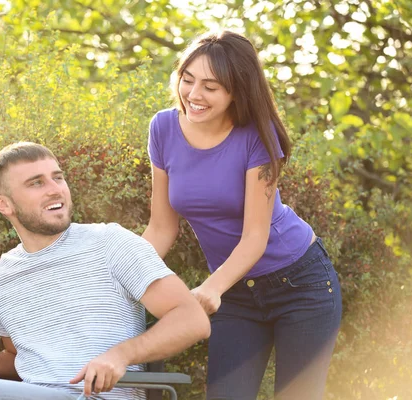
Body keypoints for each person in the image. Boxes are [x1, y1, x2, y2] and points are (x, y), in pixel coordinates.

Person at [0, 142, 210, 400]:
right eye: (36, 183)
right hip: (30, 393)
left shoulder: (110, 243)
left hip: (94, 396)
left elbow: (192, 319)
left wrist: (121, 355)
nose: (55, 189)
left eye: (57, 177)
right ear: (4, 204)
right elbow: (21, 359)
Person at [142, 30, 342, 400]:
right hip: (236, 292)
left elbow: (255, 237)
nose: (194, 95)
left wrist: (211, 288)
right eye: (188, 80)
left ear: (237, 91)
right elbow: (161, 226)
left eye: (211, 87)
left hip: (301, 284)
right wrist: (124, 277)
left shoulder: (258, 135)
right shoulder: (164, 128)